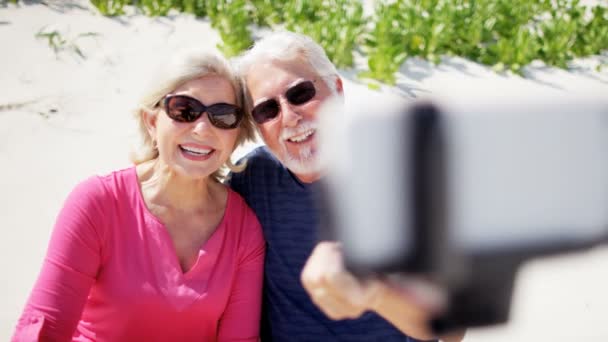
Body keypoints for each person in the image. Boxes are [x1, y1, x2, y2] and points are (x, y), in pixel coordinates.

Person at [13, 49, 265, 342]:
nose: (202, 128)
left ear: (236, 132)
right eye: (184, 110)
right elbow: (45, 326)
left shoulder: (244, 228)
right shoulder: (97, 203)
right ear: (152, 121)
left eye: (223, 116)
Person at [230, 31, 464, 342]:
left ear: (338, 90)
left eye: (300, 93)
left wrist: (373, 292)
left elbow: (450, 329)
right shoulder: (251, 177)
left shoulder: (400, 176)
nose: (289, 117)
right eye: (267, 110)